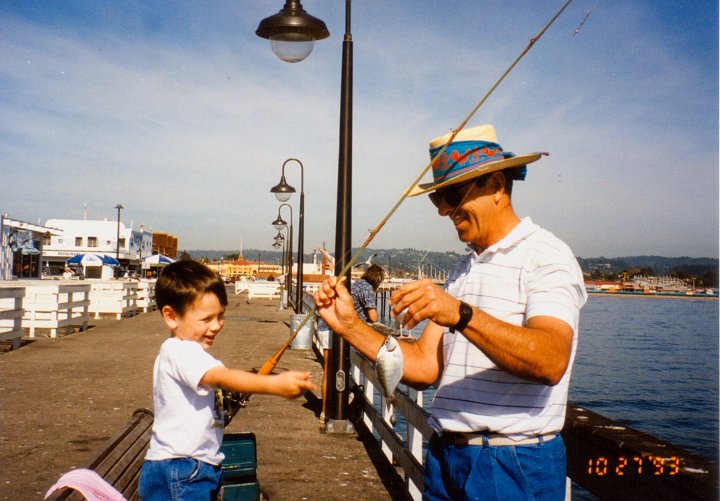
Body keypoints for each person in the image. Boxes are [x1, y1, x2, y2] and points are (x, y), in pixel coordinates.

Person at [314, 124, 587, 500]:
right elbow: (426, 367)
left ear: (496, 186)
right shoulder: (464, 269)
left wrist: (460, 314)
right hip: (447, 457)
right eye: (437, 198)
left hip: (512, 462)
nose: (443, 210)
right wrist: (348, 325)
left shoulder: (547, 256)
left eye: (453, 195)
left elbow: (551, 359)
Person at [139, 260, 316, 501]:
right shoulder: (182, 353)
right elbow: (222, 377)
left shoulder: (178, 352)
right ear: (171, 316)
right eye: (206, 319)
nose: (216, 326)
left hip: (179, 464)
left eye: (221, 316)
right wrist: (274, 386)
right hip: (186, 469)